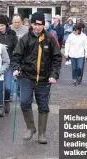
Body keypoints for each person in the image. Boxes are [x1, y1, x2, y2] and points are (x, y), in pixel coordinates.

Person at [11, 12, 62, 144]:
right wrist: (15, 68)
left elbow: (57, 58)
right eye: (35, 24)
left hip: (45, 79)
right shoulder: (25, 39)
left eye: (40, 24)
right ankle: (30, 128)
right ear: (31, 25)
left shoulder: (50, 39)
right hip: (27, 77)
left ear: (43, 25)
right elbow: (16, 56)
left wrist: (54, 75)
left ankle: (42, 133)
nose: (37, 27)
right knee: (25, 102)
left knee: (43, 106)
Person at [0, 14, 18, 116]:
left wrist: (16, 63)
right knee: (0, 86)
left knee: (8, 87)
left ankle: (6, 101)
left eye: (2, 25)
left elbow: (16, 49)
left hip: (9, 63)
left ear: (6, 25)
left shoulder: (12, 34)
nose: (0, 27)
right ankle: (0, 106)